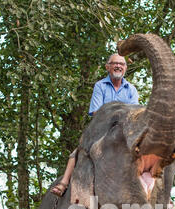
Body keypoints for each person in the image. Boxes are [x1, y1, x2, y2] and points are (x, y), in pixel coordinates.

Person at [51, 54, 139, 197]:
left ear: (125, 68)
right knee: (76, 153)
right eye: (114, 63)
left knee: (148, 154)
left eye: (121, 64)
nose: (118, 66)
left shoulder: (131, 89)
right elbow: (96, 112)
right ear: (107, 67)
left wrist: (115, 114)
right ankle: (63, 184)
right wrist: (118, 114)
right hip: (102, 131)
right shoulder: (100, 86)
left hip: (124, 134)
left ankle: (162, 197)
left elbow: (133, 115)